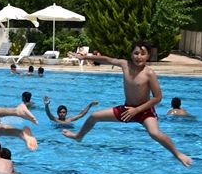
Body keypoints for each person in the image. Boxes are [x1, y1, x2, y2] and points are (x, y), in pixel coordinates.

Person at [62, 41, 192, 167]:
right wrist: (85, 57)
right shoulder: (125, 65)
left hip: (144, 111)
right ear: (131, 54)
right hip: (127, 109)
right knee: (94, 116)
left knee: (154, 133)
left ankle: (177, 154)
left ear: (148, 56)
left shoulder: (149, 73)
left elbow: (158, 98)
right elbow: (107, 59)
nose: (139, 57)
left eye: (143, 54)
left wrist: (137, 110)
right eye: (136, 53)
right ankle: (78, 136)